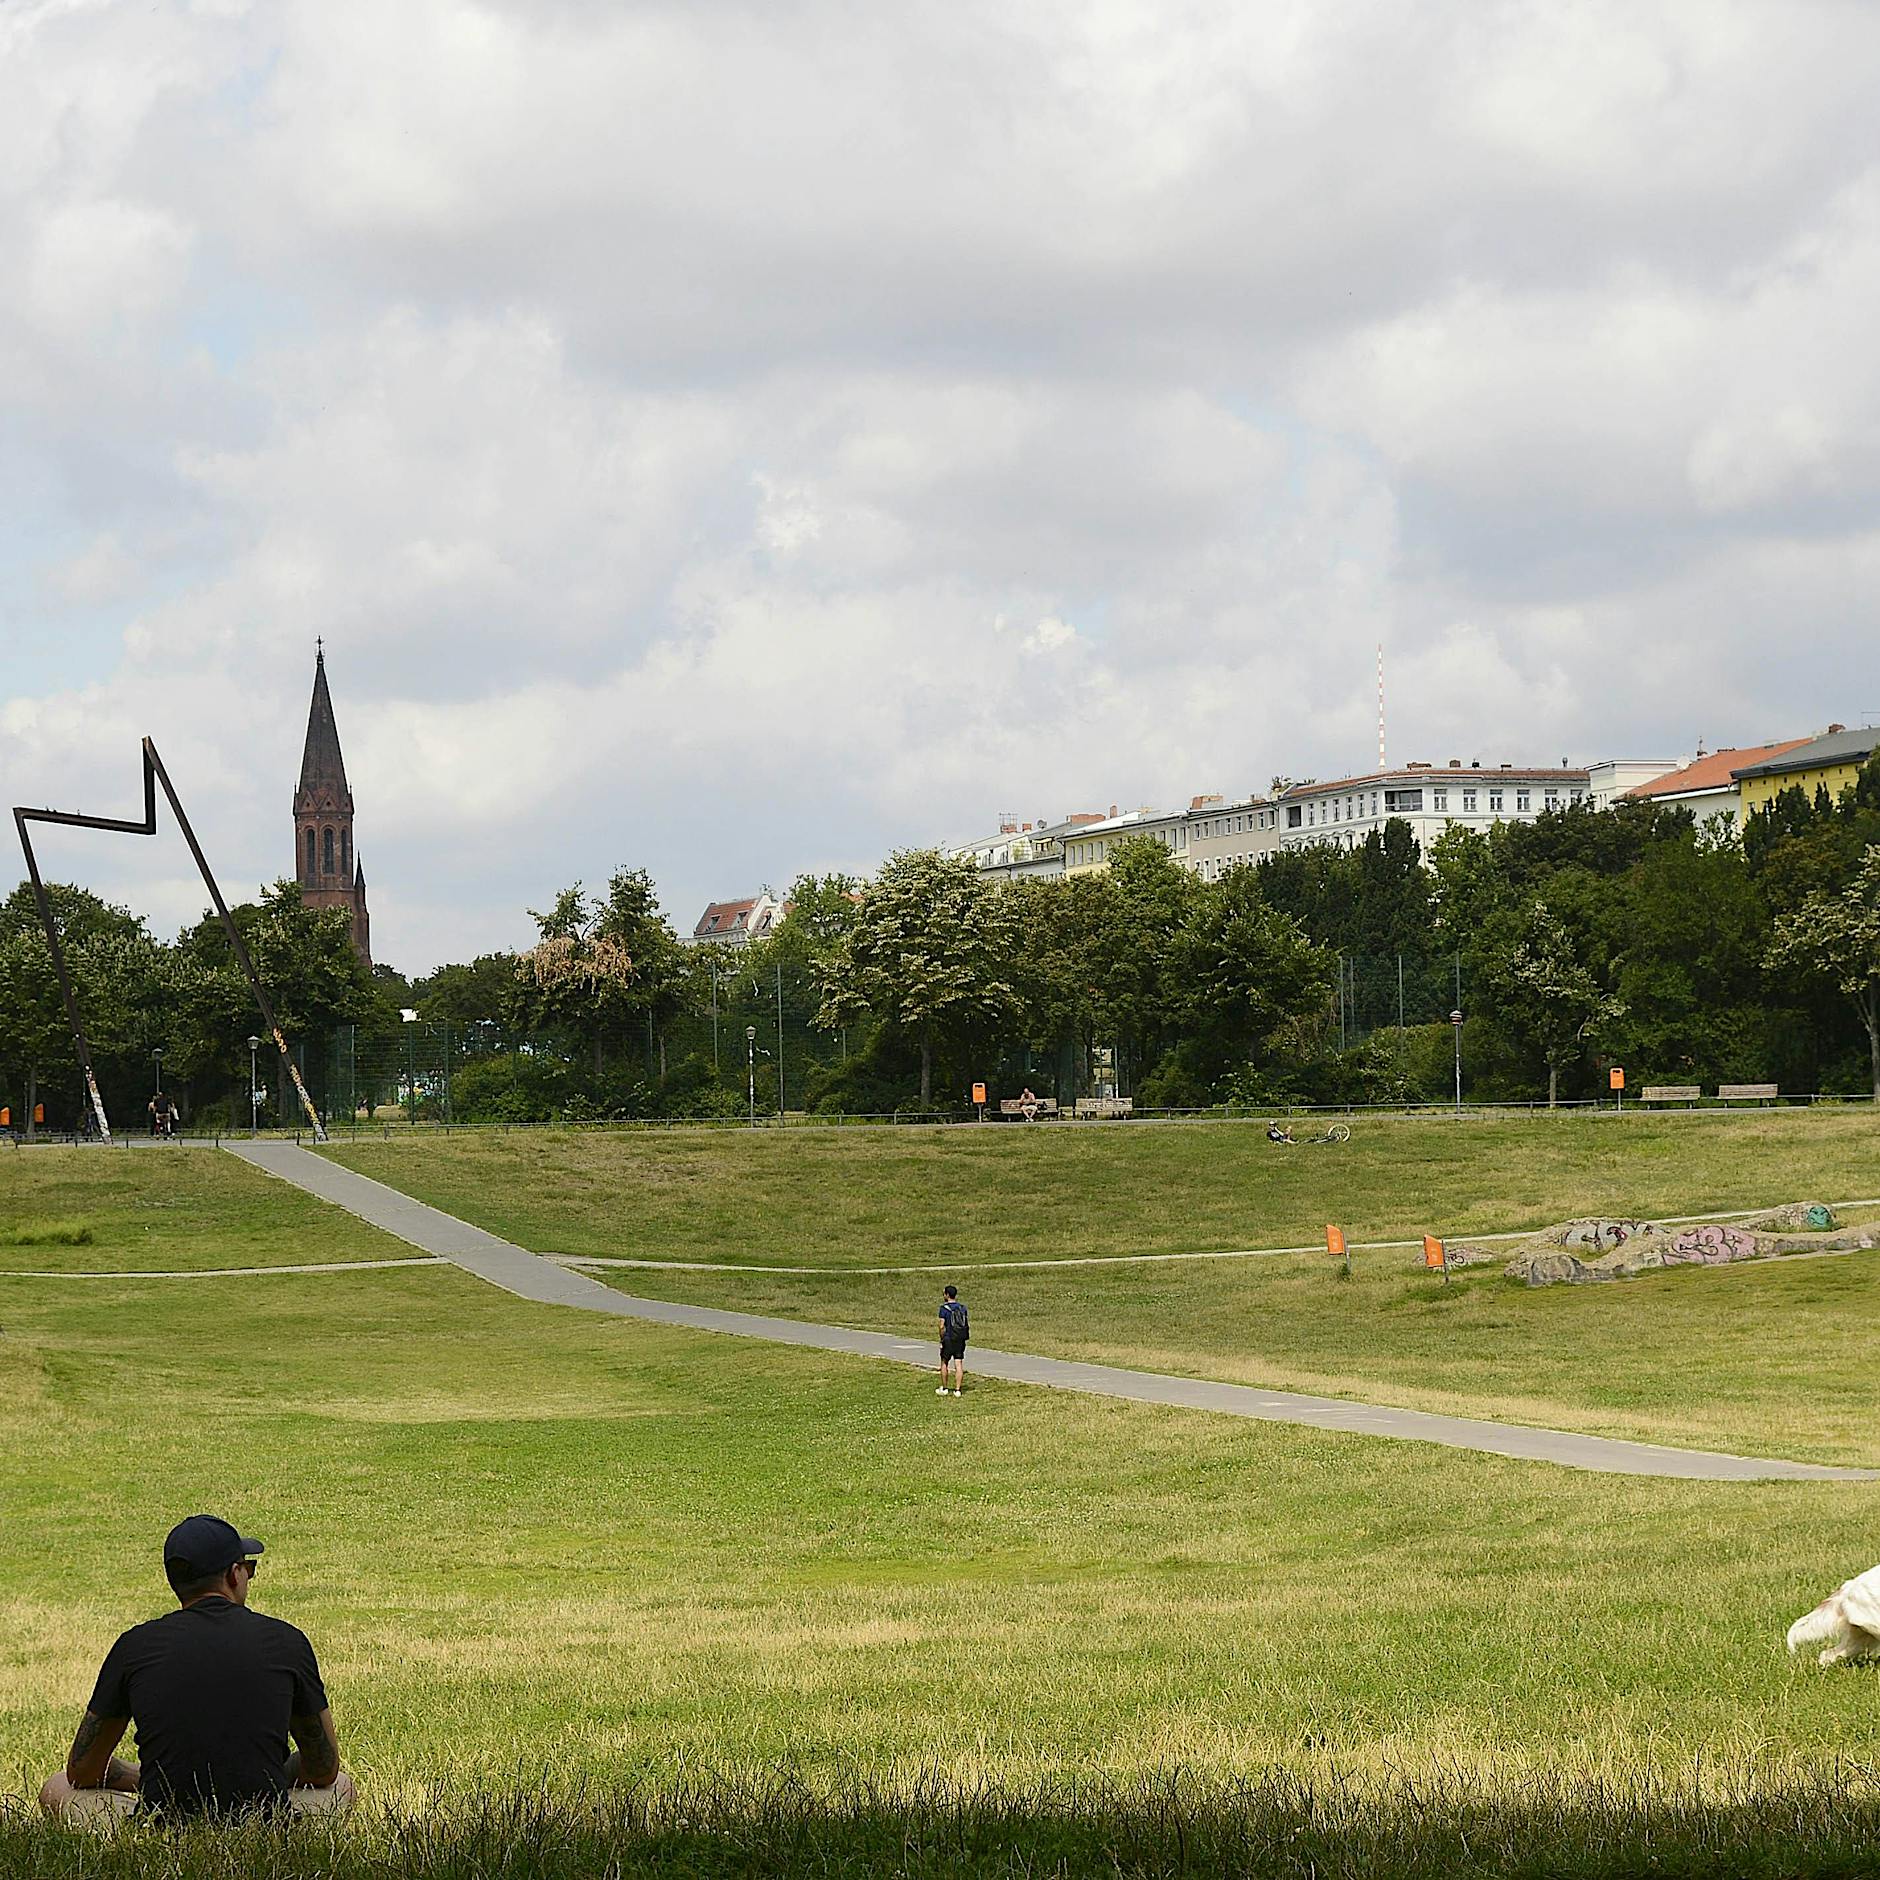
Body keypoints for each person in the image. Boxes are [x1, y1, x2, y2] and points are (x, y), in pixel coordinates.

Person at [40, 1515, 354, 1823]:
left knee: (57, 1787)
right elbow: (323, 1768)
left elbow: (82, 1771)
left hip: (163, 1821)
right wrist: (265, 1772)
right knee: (341, 1786)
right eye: (249, 1568)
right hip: (263, 1819)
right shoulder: (287, 1641)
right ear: (234, 1574)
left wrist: (149, 1778)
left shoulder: (134, 1646)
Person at [936, 1285, 969, 1397]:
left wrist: (941, 1338)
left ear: (947, 1295)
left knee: (944, 1362)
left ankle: (945, 1388)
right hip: (959, 1339)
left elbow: (941, 1326)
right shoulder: (962, 1308)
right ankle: (958, 1390)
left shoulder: (943, 1309)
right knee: (958, 1363)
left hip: (948, 1338)